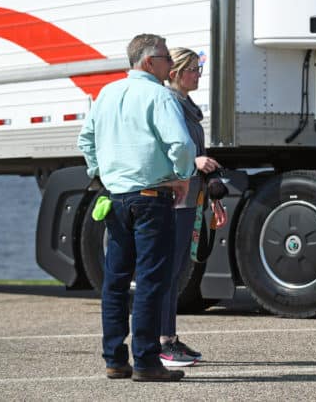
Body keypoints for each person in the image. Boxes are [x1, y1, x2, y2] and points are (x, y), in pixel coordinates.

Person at [77, 34, 196, 383]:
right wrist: (181, 176)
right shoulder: (159, 95)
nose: (170, 65)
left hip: (116, 198)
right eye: (165, 57)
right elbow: (181, 143)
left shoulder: (107, 93)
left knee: (115, 282)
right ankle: (145, 361)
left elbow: (85, 139)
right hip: (151, 198)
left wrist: (100, 172)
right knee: (150, 281)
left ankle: (115, 359)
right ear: (148, 62)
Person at [158, 47, 225, 367]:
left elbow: (197, 151)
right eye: (193, 69)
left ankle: (168, 337)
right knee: (168, 272)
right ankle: (161, 341)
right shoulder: (168, 103)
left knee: (177, 270)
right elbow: (164, 146)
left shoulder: (186, 104)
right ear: (175, 74)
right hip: (174, 198)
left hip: (189, 197)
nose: (199, 75)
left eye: (199, 69)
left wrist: (213, 195)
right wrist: (193, 161)